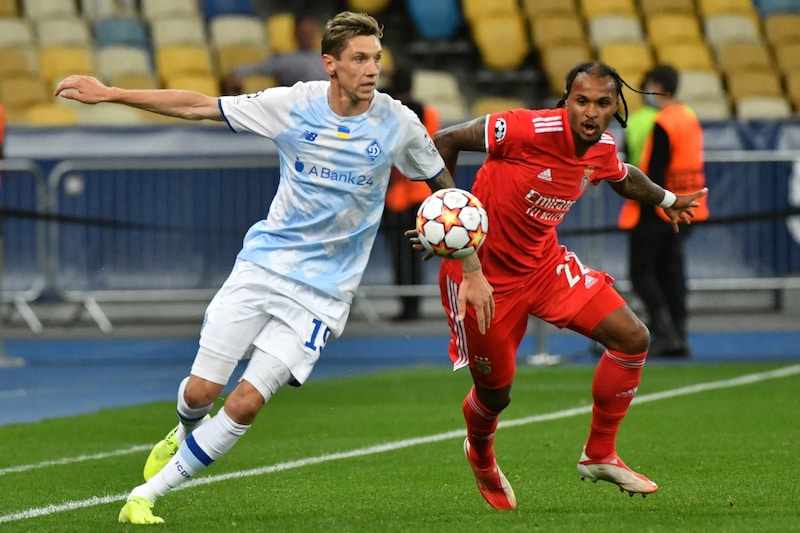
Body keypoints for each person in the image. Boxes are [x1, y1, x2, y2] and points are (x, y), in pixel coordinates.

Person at [54, 11, 494, 525]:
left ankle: (146, 494)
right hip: (263, 267)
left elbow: (448, 193)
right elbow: (199, 106)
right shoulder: (292, 104)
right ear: (330, 64)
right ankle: (183, 427)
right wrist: (110, 93)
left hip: (324, 294)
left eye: (376, 58)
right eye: (359, 59)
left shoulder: (398, 122)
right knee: (201, 393)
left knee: (244, 403)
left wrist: (467, 262)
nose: (372, 69)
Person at [421, 62, 707, 510]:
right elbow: (445, 140)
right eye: (582, 101)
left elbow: (624, 175)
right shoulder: (520, 128)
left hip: (545, 266)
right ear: (566, 101)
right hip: (484, 276)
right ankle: (479, 451)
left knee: (633, 337)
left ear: (617, 107)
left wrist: (668, 200)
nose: (591, 112)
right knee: (496, 393)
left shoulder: (601, 147)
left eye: (602, 103)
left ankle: (599, 453)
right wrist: (444, 217)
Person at [618, 65, 708, 358]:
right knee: (672, 273)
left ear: (656, 85)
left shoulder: (664, 122)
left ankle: (664, 332)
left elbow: (653, 171)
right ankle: (679, 333)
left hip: (658, 209)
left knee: (642, 272)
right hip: (688, 204)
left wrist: (655, 199)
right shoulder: (688, 116)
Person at [384, 66, 441, 320]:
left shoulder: (394, 113)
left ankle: (409, 306)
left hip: (402, 196)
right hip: (420, 195)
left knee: (402, 256)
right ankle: (411, 305)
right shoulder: (429, 112)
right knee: (416, 253)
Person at [222, 13, 328, 93]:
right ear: (295, 34)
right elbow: (259, 68)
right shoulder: (285, 60)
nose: (307, 37)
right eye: (303, 33)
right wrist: (236, 73)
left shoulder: (328, 56)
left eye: (310, 32)